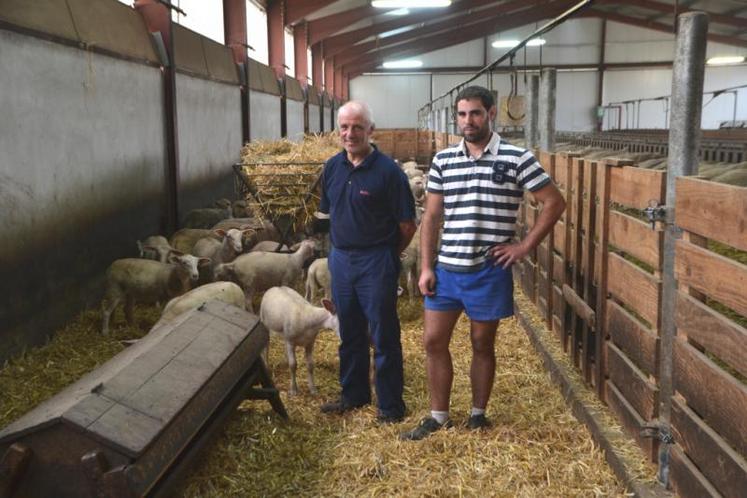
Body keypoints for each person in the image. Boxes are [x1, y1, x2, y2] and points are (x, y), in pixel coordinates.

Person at [400, 86, 565, 440]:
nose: (467, 121)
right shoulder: (444, 160)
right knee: (432, 341)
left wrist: (523, 247)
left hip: (488, 271)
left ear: (491, 114)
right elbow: (431, 218)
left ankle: (478, 414)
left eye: (474, 113)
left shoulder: (517, 158)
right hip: (447, 269)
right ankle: (439, 416)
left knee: (481, 344)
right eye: (461, 114)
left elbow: (553, 202)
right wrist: (427, 267)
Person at [317, 100, 417, 423]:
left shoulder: (389, 173)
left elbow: (407, 226)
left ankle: (389, 406)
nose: (350, 133)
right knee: (350, 331)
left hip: (376, 260)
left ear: (371, 130)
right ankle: (354, 394)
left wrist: (388, 254)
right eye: (344, 127)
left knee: (383, 333)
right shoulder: (332, 168)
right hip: (341, 259)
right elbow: (328, 213)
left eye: (357, 127)